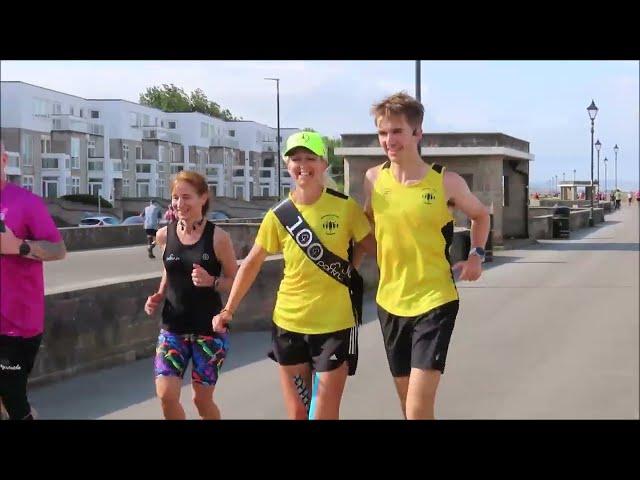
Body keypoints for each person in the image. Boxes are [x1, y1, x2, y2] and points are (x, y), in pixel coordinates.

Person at [211, 131, 375, 420]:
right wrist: (228, 310)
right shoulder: (279, 215)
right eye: (295, 158)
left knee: (322, 414)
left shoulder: (344, 207)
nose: (303, 165)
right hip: (289, 324)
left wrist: (351, 267)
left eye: (310, 158)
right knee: (298, 413)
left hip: (335, 326)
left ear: (324, 163)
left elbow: (372, 245)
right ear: (287, 165)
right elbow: (251, 263)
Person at [363, 92, 490, 420]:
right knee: (409, 409)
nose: (389, 140)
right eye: (383, 133)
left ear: (418, 134)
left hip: (435, 300)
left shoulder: (445, 182)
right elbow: (367, 225)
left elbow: (481, 215)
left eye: (397, 131)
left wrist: (476, 255)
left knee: (418, 410)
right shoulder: (374, 179)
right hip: (390, 301)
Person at [144, 171, 238, 420]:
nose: (179, 204)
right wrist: (159, 294)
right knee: (166, 395)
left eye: (187, 197)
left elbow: (235, 281)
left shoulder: (218, 238)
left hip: (208, 331)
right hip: (173, 328)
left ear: (203, 198)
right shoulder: (165, 235)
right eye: (175, 197)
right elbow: (169, 268)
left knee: (201, 399)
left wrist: (212, 281)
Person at [0, 141, 67, 420]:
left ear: (3, 160)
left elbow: (59, 250)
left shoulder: (25, 202)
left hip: (16, 323)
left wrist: (20, 247)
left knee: (14, 402)